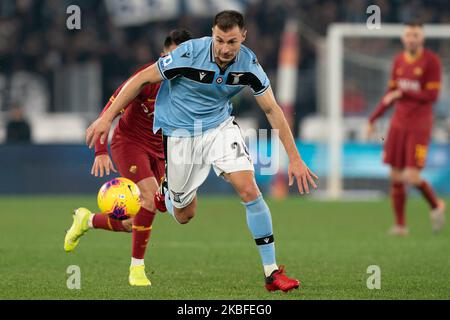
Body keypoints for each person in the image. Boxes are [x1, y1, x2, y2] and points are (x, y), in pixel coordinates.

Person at [86, 10, 318, 293]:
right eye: (220, 40)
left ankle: (271, 273)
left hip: (219, 127)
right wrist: (107, 118)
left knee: (249, 189)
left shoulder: (249, 64)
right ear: (212, 34)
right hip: (180, 133)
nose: (224, 48)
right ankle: (168, 193)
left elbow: (271, 109)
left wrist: (294, 158)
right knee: (184, 215)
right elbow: (141, 80)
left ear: (243, 37)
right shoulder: (187, 54)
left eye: (232, 41)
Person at [64, 29, 193, 287]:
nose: (178, 63)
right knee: (148, 199)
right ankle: (136, 270)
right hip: (130, 144)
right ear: (163, 57)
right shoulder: (146, 79)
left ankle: (87, 220)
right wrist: (101, 152)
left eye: (185, 57)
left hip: (163, 151)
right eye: (173, 56)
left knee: (145, 218)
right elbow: (108, 113)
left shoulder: (194, 86)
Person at [365, 22, 446, 236]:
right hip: (398, 125)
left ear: (422, 38)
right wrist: (372, 119)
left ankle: (436, 205)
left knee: (412, 177)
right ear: (403, 38)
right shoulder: (399, 61)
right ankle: (401, 226)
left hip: (419, 126)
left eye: (416, 35)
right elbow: (391, 94)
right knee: (395, 176)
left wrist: (403, 93)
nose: (412, 39)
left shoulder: (431, 62)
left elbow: (432, 96)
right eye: (409, 35)